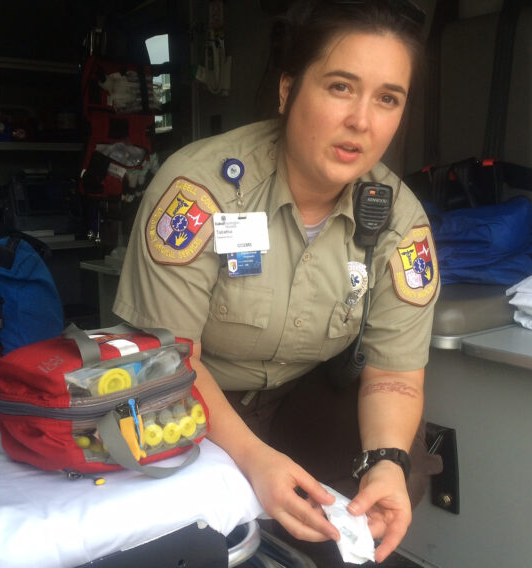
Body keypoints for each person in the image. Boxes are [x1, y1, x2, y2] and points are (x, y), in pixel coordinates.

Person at [113, 0, 441, 563]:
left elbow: (394, 374)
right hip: (185, 397)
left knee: (395, 467)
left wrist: (386, 462)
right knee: (189, 528)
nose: (362, 121)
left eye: (387, 98)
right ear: (288, 91)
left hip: (297, 396)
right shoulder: (202, 190)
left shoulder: (399, 220)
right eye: (341, 87)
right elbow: (167, 360)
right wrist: (253, 459)